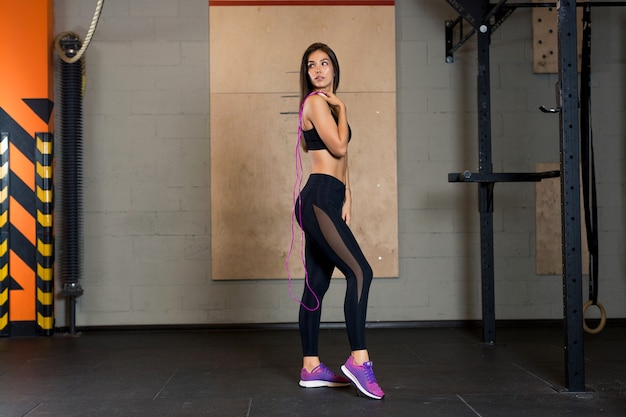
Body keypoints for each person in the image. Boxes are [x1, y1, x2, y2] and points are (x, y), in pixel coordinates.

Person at [292, 42, 384, 400]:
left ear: (334, 68)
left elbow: (342, 162)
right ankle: (359, 359)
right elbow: (340, 148)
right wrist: (343, 107)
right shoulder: (318, 102)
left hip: (327, 197)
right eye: (311, 65)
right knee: (361, 272)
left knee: (316, 285)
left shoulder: (326, 105)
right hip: (317, 200)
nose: (317, 70)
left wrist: (348, 194)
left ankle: (311, 367)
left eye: (324, 63)